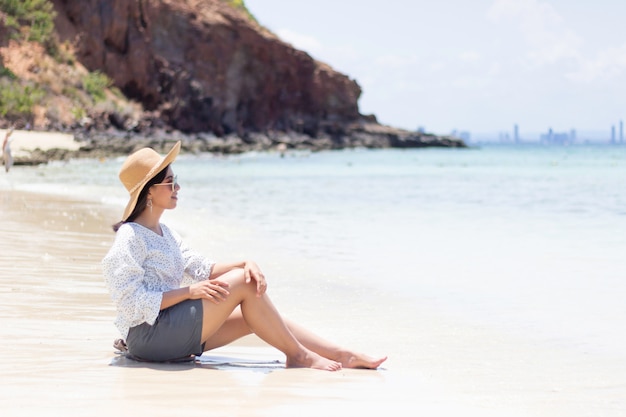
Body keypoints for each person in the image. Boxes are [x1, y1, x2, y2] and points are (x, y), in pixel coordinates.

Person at [102, 141, 387, 371]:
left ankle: (341, 354)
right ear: (150, 191)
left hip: (171, 330)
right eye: (171, 182)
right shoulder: (131, 236)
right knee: (245, 284)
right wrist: (189, 292)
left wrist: (244, 262)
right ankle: (299, 356)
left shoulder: (165, 231)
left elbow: (203, 268)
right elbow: (129, 302)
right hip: (149, 338)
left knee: (257, 312)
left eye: (176, 181)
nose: (178, 188)